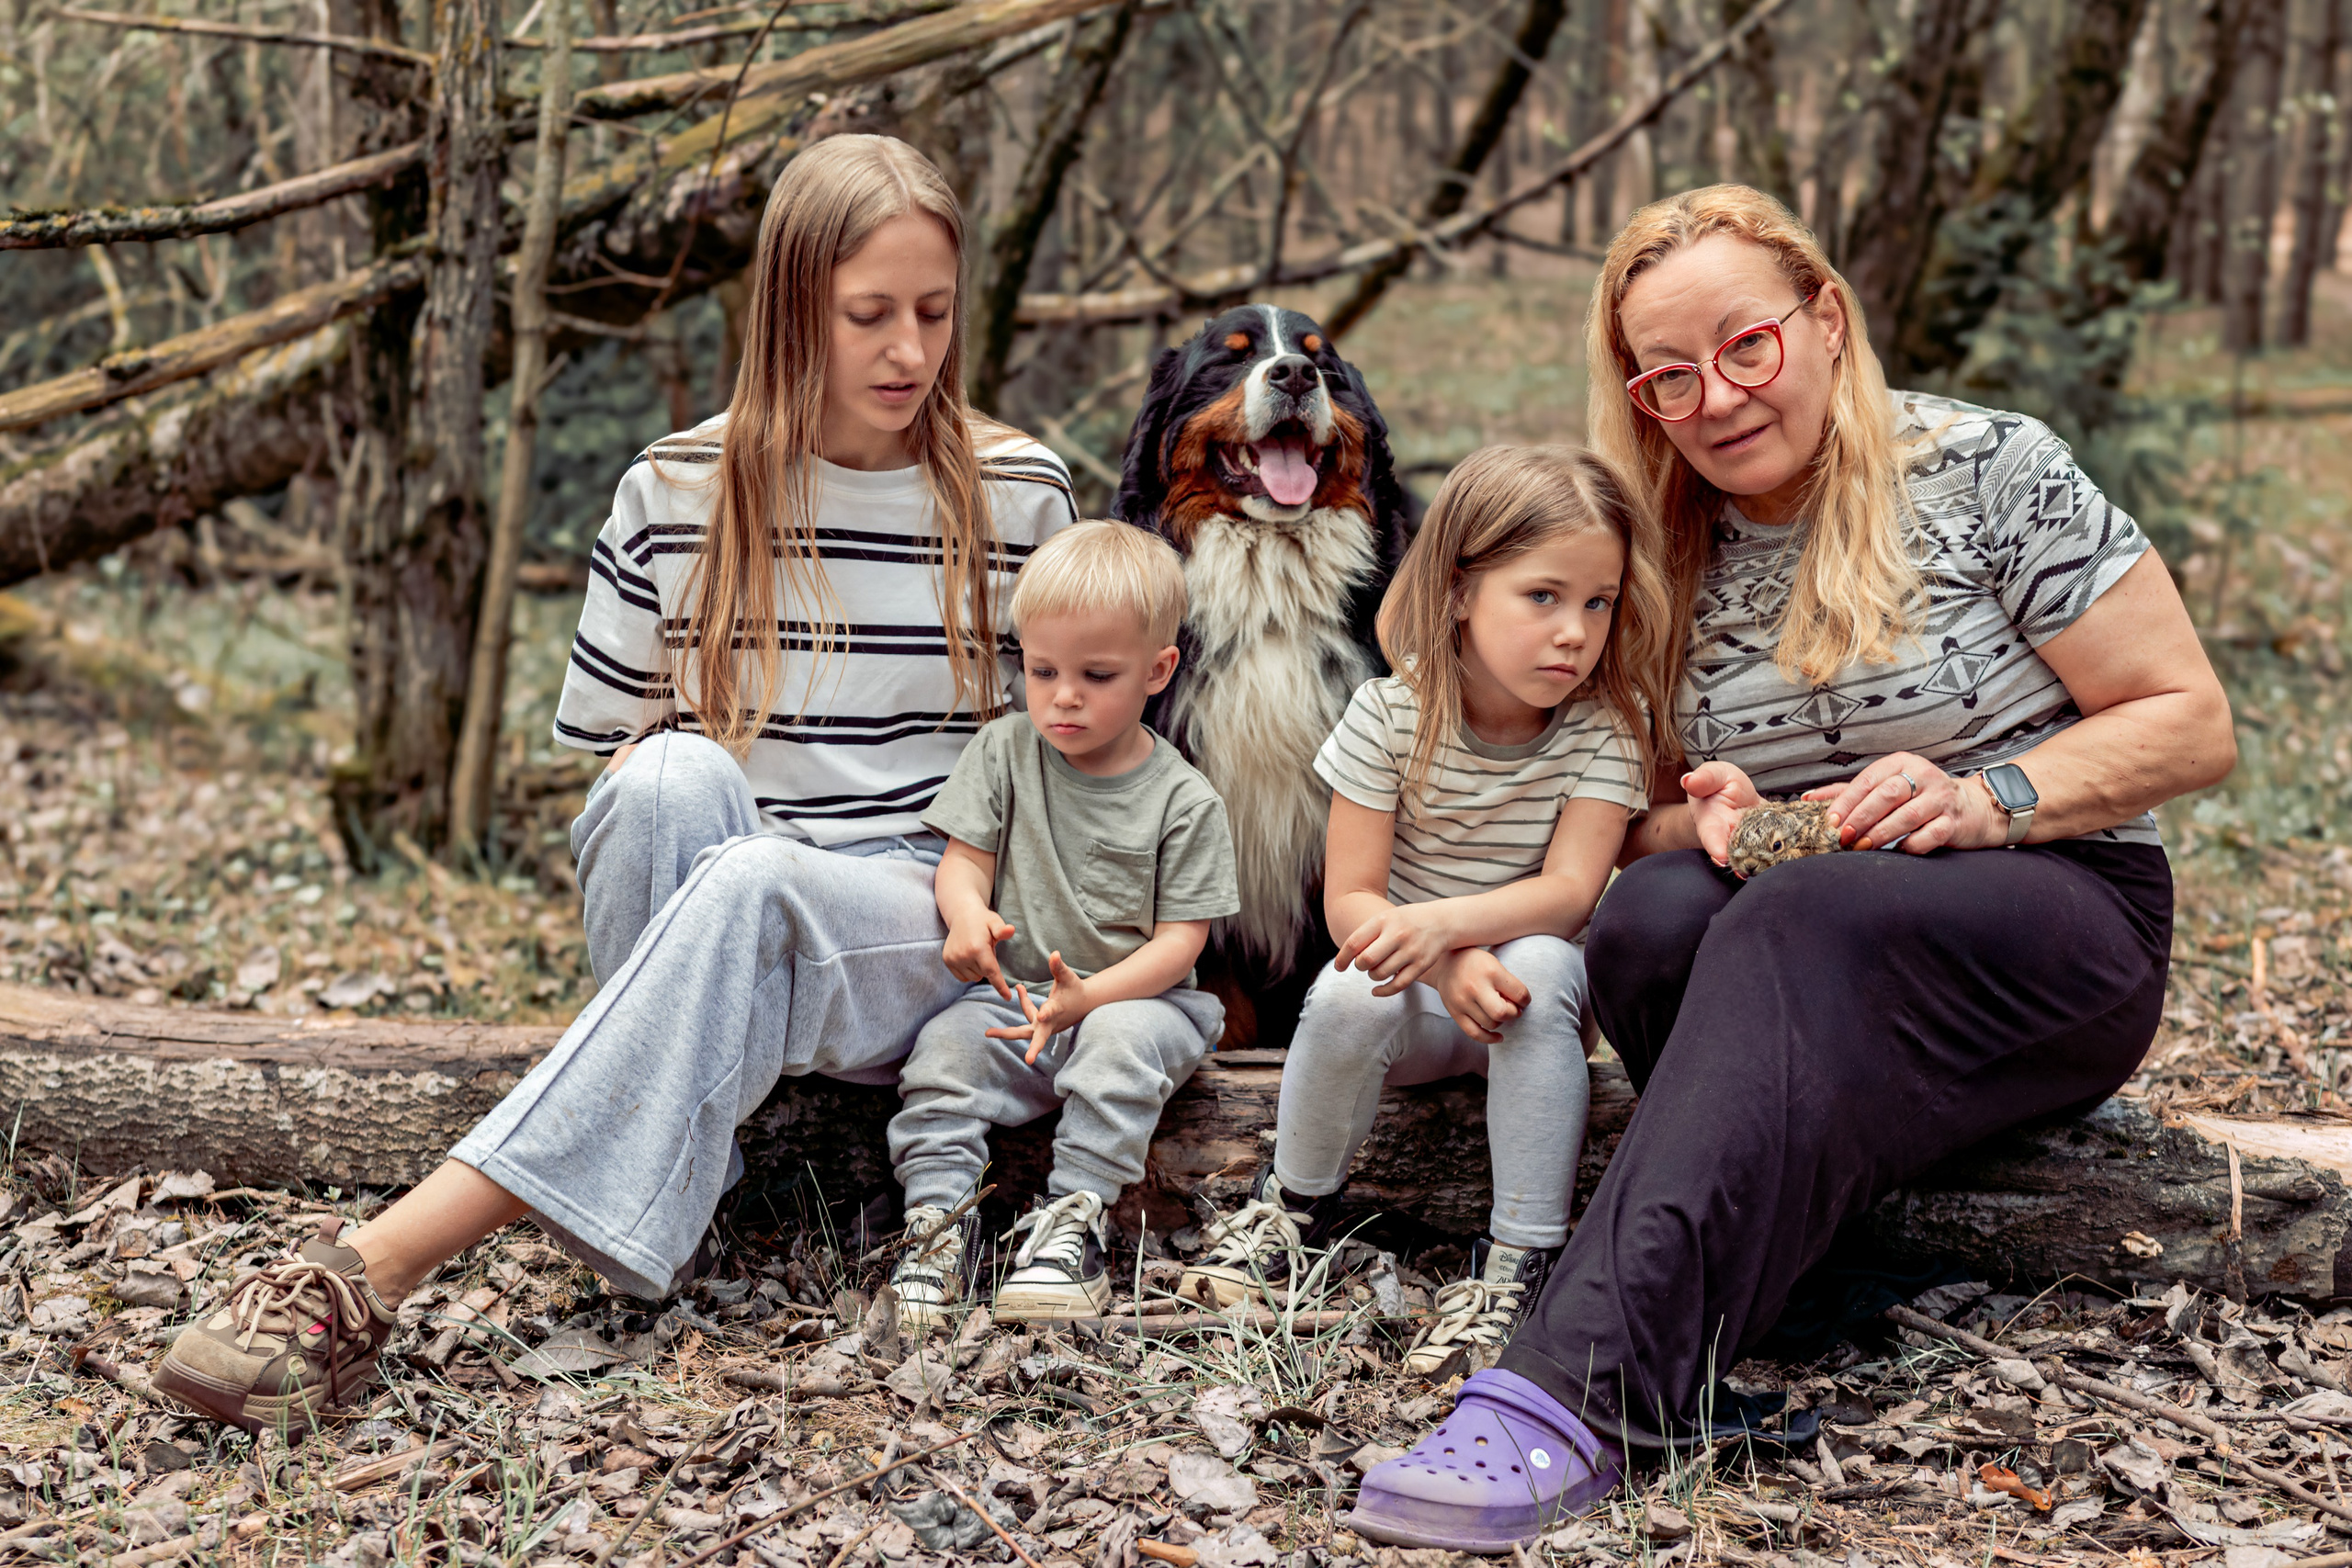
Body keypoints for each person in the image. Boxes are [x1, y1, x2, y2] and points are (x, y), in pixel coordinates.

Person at [1346, 184, 2234, 1553]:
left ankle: (1579, 1389)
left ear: (1826, 318)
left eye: (1747, 345)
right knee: (1647, 921)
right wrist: (1709, 821)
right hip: (1818, 929)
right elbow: (1626, 826)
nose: (1714, 398)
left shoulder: (1992, 467)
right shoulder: (1654, 549)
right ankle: (1800, 1270)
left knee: (1802, 910)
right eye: (1670, 375)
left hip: (2058, 922)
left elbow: (2188, 718)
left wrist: (1989, 794)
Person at [151, 134, 1075, 1436]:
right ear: (790, 306)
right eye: (868, 315)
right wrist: (687, 789)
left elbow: (1056, 767)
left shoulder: (1020, 495)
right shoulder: (674, 489)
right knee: (663, 785)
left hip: (925, 923)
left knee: (754, 874)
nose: (908, 352)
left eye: (933, 313)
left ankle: (373, 1268)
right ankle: (675, 1188)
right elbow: (617, 761)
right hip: (736, 896)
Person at [1179, 446, 1670, 1377]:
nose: (1573, 632)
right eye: (1542, 597)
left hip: (1528, 1003)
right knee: (1343, 991)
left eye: (1597, 603)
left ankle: (1521, 1257)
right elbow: (1350, 898)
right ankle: (1293, 1207)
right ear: (1455, 591)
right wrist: (1441, 961)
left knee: (1544, 963)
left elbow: (1570, 892)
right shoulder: (1387, 715)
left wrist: (1446, 928)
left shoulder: (1606, 727)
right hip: (1415, 994)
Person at [885, 520, 1238, 1326]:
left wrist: (1092, 999)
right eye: (1041, 670)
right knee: (941, 1054)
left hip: (1139, 1002)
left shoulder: (1184, 800)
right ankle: (940, 1226)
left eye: (1095, 674)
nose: (1063, 695)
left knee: (1115, 1050)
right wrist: (967, 914)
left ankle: (1070, 1225)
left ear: (1158, 670)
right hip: (1022, 999)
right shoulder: (1005, 752)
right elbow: (965, 861)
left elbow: (1182, 943)